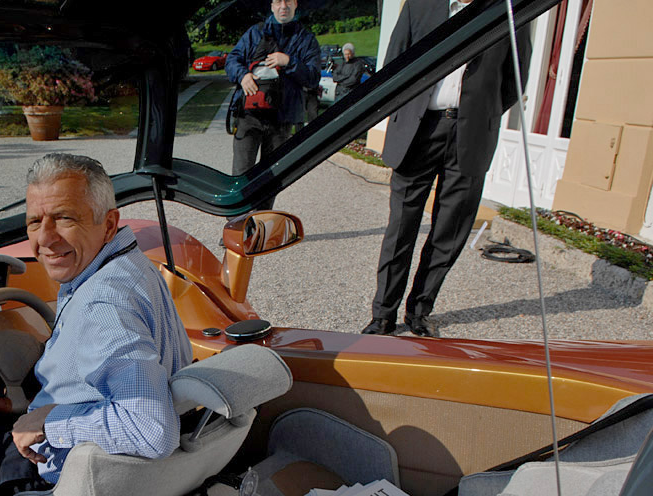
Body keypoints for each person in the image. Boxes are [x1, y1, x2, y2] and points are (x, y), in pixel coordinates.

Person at [0, 153, 192, 496]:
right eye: (34, 222)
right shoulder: (130, 263)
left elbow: (151, 430)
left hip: (66, 480)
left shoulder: (103, 305)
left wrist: (49, 422)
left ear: (109, 223)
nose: (44, 238)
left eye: (64, 218)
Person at [362, 0, 530, 337]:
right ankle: (383, 315)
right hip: (419, 130)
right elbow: (395, 64)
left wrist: (480, 113)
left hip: (471, 134)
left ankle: (420, 310)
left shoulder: (509, 11)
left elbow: (514, 81)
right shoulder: (419, 7)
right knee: (401, 227)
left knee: (450, 230)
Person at [226, 0, 321, 178]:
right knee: (241, 177)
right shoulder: (255, 33)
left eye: (288, 1)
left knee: (271, 180)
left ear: (295, 4)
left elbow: (313, 78)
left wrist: (289, 62)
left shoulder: (306, 40)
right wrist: (242, 76)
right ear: (271, 6)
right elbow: (232, 60)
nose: (283, 6)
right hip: (249, 115)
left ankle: (264, 208)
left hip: (282, 120)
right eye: (278, 1)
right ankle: (243, 207)